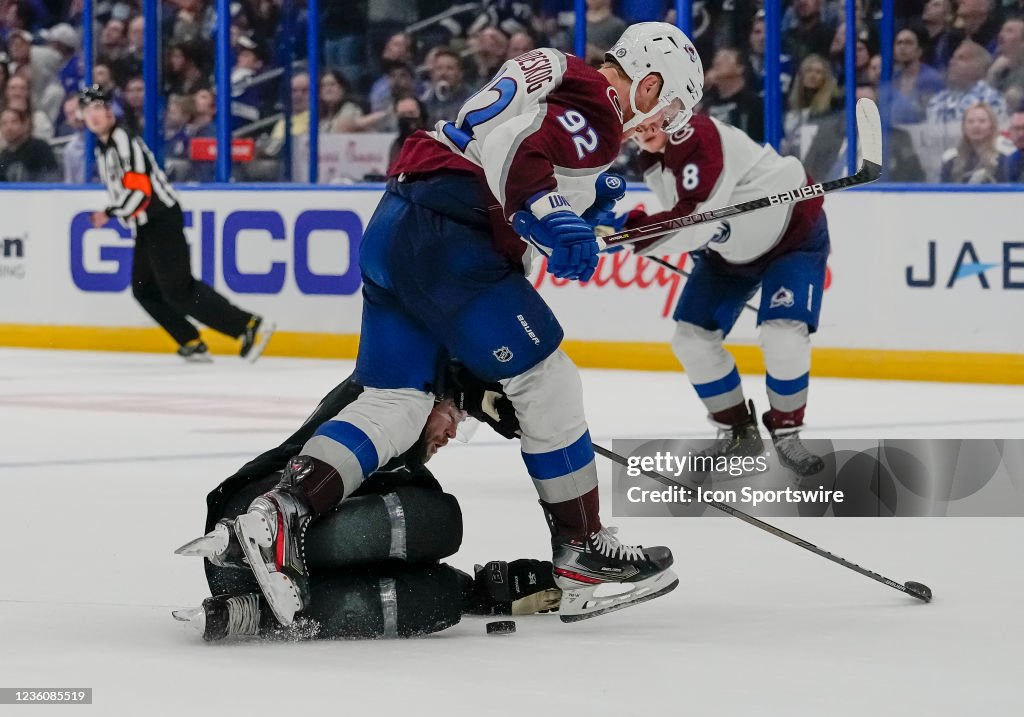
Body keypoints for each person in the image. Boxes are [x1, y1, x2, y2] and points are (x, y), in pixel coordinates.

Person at [227, 22, 705, 627]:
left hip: (400, 224)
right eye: (665, 110)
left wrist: (584, 206)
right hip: (452, 239)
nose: (657, 129)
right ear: (648, 82)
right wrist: (556, 215)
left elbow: (509, 154)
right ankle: (582, 551)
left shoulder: (561, 72)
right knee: (548, 380)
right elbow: (514, 150)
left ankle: (278, 516)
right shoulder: (602, 107)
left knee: (396, 400)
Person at [172, 365, 562, 641]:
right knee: (438, 519)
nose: (452, 433)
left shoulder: (402, 453)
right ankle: (251, 543)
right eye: (454, 415)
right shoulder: (388, 396)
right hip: (251, 514)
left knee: (442, 597)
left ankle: (249, 616)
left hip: (272, 588)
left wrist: (487, 590)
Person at [598, 108, 830, 477]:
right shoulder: (651, 160)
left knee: (783, 334)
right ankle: (738, 432)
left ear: (674, 105)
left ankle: (787, 430)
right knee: (691, 340)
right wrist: (640, 233)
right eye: (636, 122)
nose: (644, 126)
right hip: (726, 252)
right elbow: (690, 222)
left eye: (653, 113)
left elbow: (694, 217)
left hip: (792, 235)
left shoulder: (697, 135)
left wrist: (629, 230)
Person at [78, 85, 274, 362]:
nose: (95, 115)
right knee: (144, 289)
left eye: (100, 107)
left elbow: (141, 191)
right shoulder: (105, 148)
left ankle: (249, 325)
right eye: (89, 110)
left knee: (179, 289)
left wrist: (109, 213)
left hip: (160, 217)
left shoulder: (123, 140)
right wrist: (115, 211)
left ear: (111, 111)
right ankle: (190, 340)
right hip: (147, 223)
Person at [939, 101, 1016, 181]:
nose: (976, 126)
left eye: (982, 121)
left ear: (992, 126)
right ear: (964, 127)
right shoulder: (950, 159)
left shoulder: (1006, 157)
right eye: (970, 121)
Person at [0, 106, 58, 181]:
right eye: (4, 123)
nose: (9, 127)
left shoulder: (40, 148)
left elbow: (52, 177)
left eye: (14, 121)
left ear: (24, 124)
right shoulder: (4, 156)